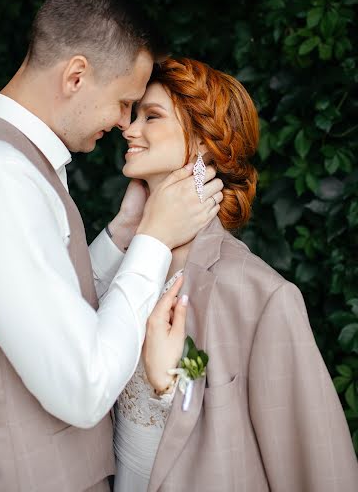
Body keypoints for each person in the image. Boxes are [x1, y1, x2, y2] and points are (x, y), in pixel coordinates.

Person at [0, 0, 224, 492]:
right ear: (77, 75)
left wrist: (124, 233)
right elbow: (84, 386)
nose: (124, 123)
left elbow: (46, 304)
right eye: (126, 102)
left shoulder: (4, 164)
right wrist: (152, 238)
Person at [113, 57, 358, 492]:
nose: (130, 129)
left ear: (204, 143)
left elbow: (315, 464)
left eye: (152, 117)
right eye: (135, 116)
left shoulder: (257, 294)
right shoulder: (126, 261)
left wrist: (171, 384)